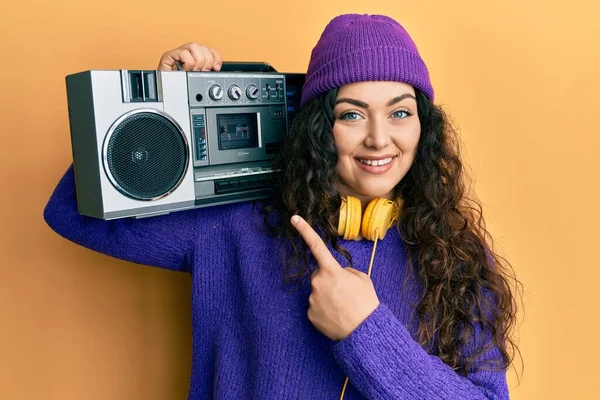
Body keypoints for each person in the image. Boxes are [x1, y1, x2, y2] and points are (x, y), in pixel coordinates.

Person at [44, 13, 520, 399]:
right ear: (319, 128)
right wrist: (161, 108)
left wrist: (365, 332)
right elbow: (72, 210)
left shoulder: (455, 254)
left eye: (400, 112)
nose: (379, 138)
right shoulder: (234, 222)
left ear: (424, 126)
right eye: (351, 114)